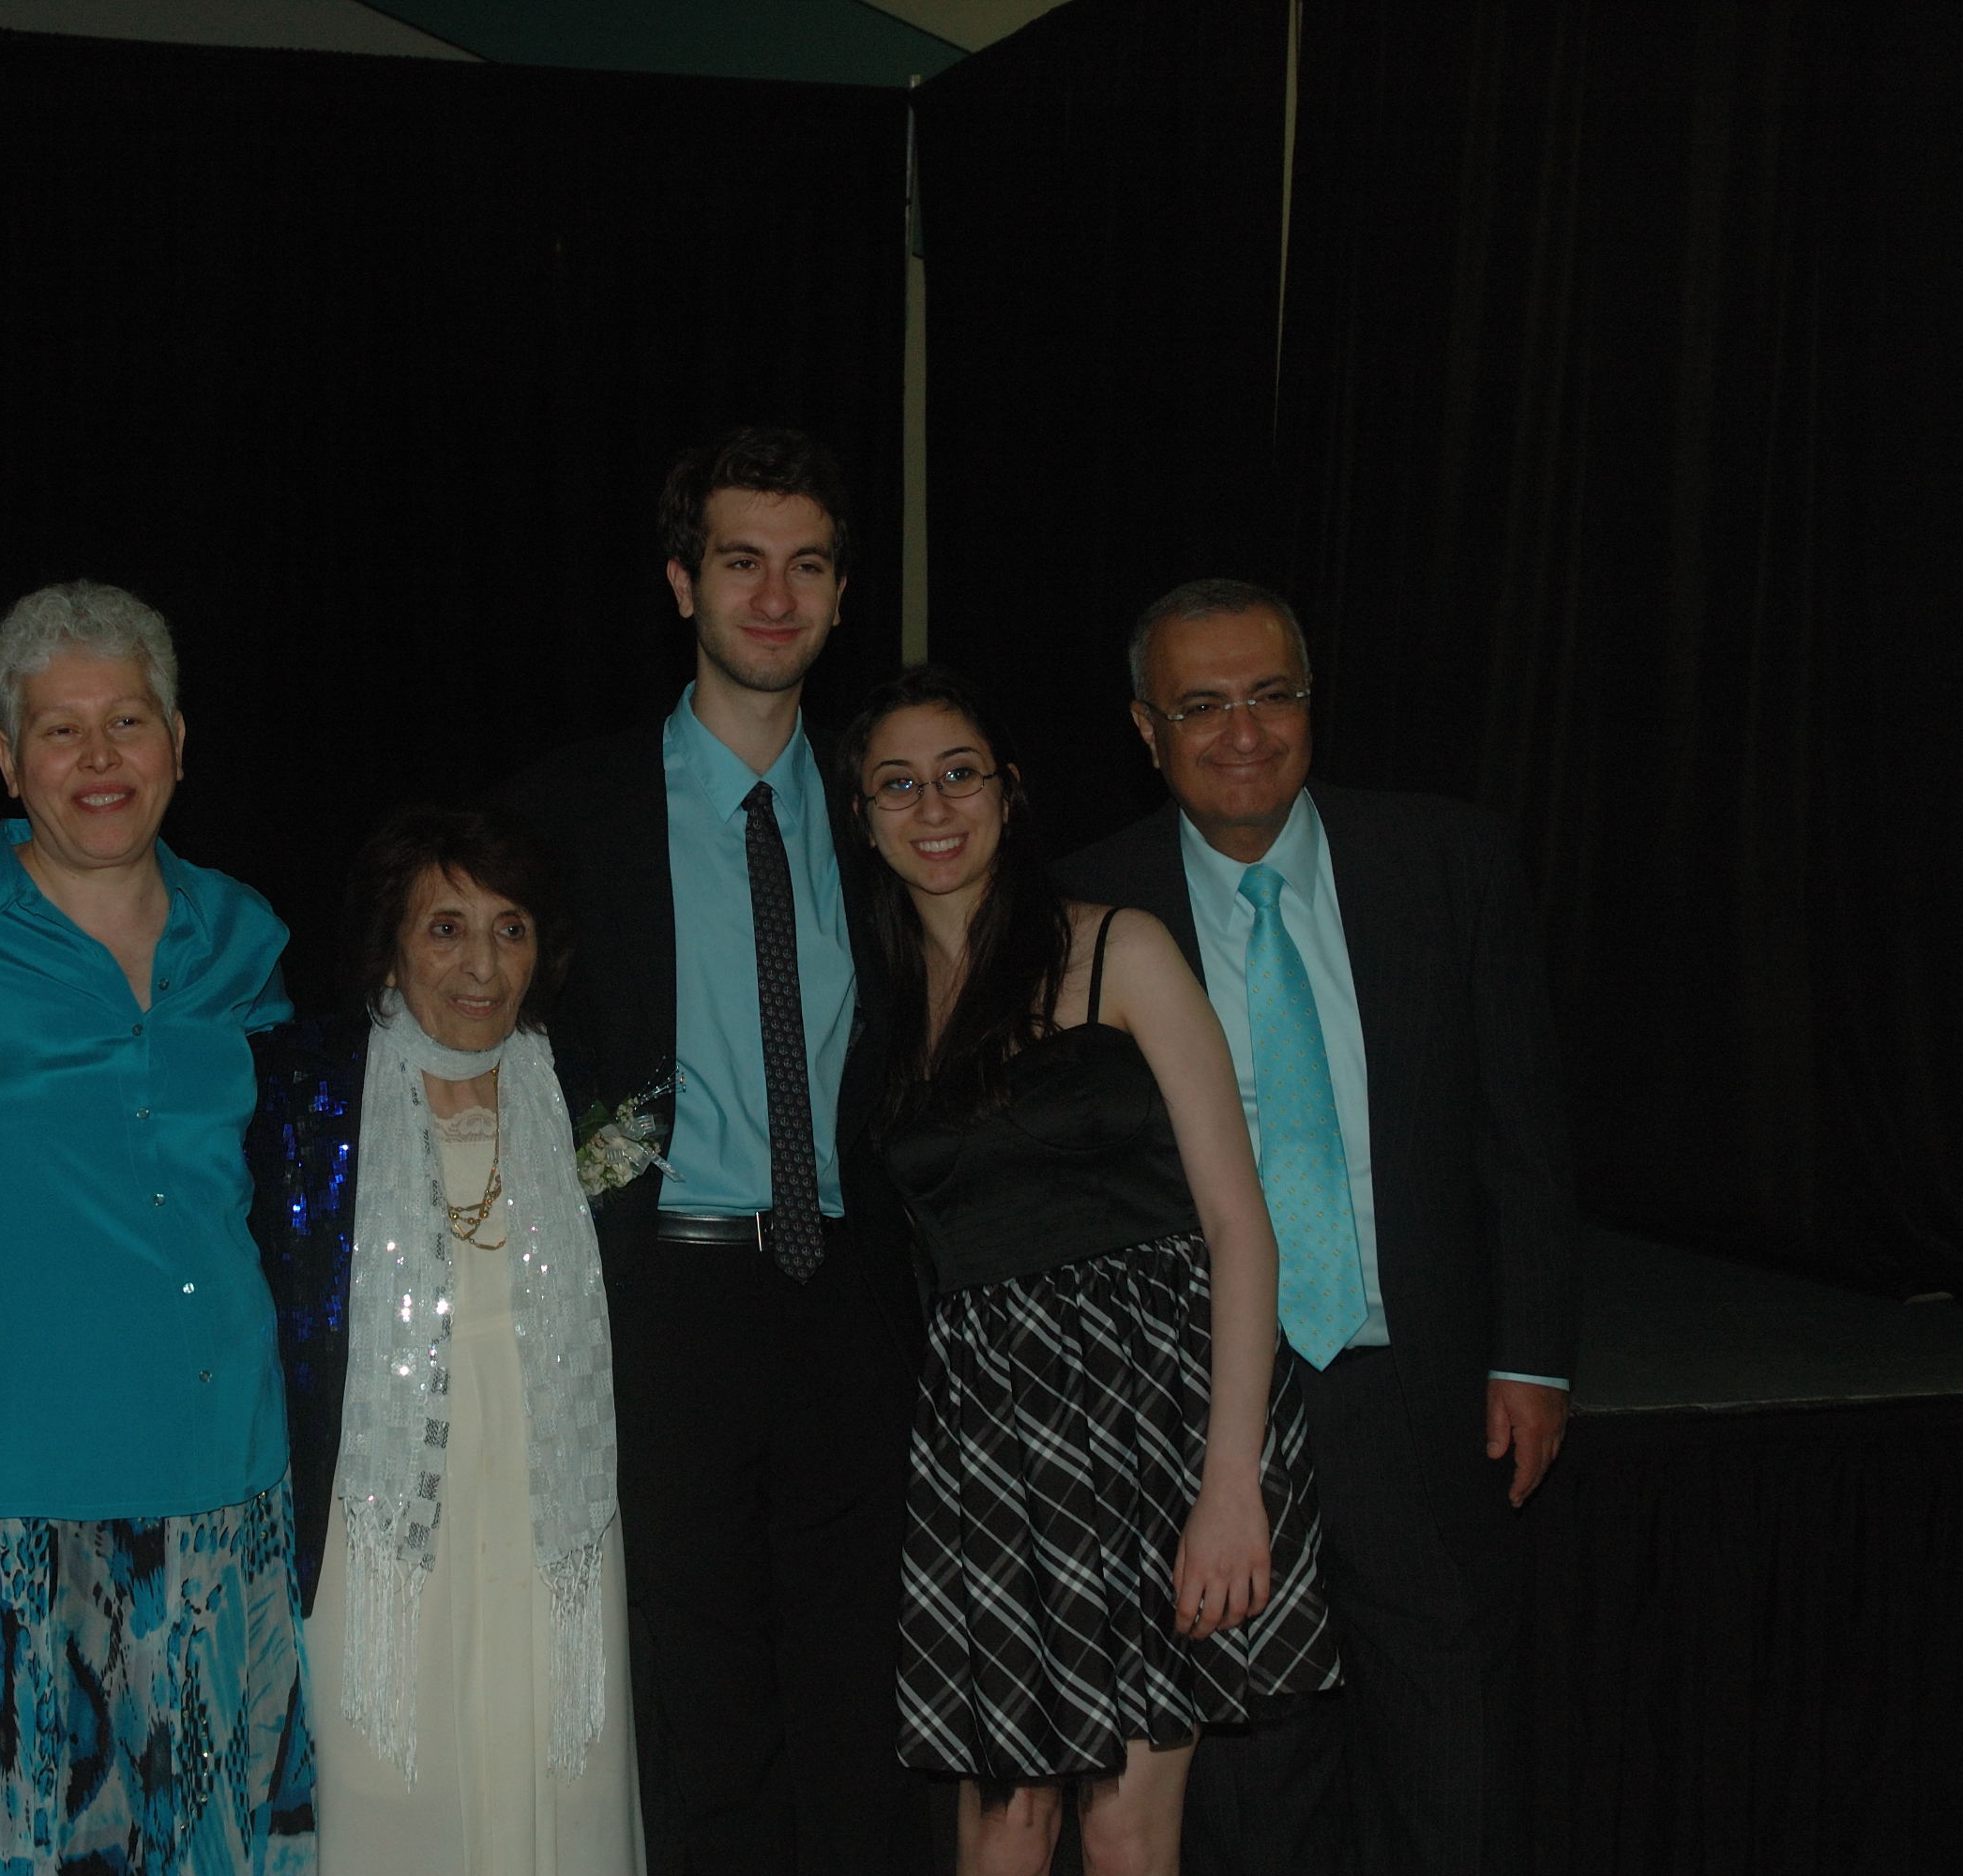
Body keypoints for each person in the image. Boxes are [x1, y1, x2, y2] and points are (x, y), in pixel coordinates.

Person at [1054, 580, 1580, 1876]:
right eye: (1202, 704)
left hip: (1422, 1386)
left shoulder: (1448, 860)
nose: (1244, 731)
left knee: (1454, 1759)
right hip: (1206, 1410)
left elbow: (1523, 1130)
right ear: (1146, 729)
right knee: (1249, 1793)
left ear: (1309, 702)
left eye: (1271, 693)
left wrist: (1532, 1355)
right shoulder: (1080, 905)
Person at [500, 427, 931, 1875]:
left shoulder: (891, 808)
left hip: (851, 1296)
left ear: (842, 594)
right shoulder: (567, 811)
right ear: (683, 582)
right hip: (665, 1297)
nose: (775, 596)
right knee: (698, 1698)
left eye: (807, 566)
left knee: (859, 1689)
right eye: (742, 562)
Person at [0, 582, 314, 1874]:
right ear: (7, 760)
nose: (99, 758)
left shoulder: (243, 932)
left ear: (178, 742)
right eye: (60, 730)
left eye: (128, 722)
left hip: (223, 1485)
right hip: (2, 1494)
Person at [838, 667, 1337, 1876]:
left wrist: (1231, 1484)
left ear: (1007, 791)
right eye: (897, 784)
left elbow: (1237, 1224)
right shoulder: (870, 1006)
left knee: (1122, 1824)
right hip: (991, 1441)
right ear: (861, 816)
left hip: (1158, 1419)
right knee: (1005, 1821)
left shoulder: (1119, 945)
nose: (933, 806)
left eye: (958, 773)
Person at [248, 804, 642, 1872]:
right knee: (390, 1781)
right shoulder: (303, 1092)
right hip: (385, 1519)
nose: (482, 966)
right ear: (389, 943)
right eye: (446, 929)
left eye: (511, 929)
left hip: (550, 1514)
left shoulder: (578, 1092)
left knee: (559, 1773)